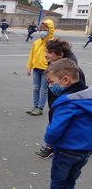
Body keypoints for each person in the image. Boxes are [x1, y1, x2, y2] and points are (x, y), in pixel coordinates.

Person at [44, 58, 91, 189]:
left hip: (66, 150)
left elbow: (55, 129)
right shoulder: (88, 97)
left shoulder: (66, 103)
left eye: (51, 82)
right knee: (71, 181)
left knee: (58, 183)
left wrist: (49, 141)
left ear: (65, 80)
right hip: (85, 151)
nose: (50, 86)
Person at [36, 39, 86, 159]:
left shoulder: (72, 70)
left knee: (63, 123)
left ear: (60, 54)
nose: (45, 55)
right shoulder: (55, 64)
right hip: (57, 102)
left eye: (49, 52)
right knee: (57, 121)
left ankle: (52, 146)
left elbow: (79, 91)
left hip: (65, 104)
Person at [26, 19, 55, 116]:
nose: (42, 31)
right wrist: (29, 67)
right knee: (35, 88)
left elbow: (55, 57)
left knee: (43, 89)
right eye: (41, 29)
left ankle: (40, 107)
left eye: (45, 29)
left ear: (50, 30)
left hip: (46, 69)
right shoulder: (37, 42)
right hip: (36, 68)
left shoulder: (52, 43)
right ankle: (35, 105)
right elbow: (32, 55)